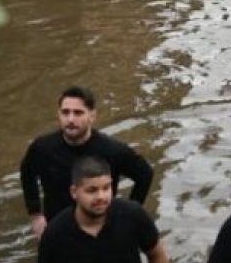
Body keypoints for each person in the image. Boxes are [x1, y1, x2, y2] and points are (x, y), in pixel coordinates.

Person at [20, 85, 154, 239]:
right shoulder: (42, 148)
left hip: (102, 229)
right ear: (59, 114)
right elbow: (27, 173)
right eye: (65, 112)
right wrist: (35, 215)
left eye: (78, 113)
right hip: (57, 231)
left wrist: (128, 215)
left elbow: (145, 174)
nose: (70, 119)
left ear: (92, 115)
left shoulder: (113, 150)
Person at [36, 156, 171, 263]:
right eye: (92, 190)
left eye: (106, 188)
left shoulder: (133, 215)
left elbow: (157, 255)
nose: (101, 196)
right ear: (74, 192)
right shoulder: (55, 234)